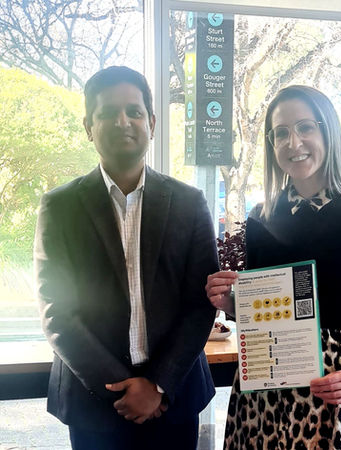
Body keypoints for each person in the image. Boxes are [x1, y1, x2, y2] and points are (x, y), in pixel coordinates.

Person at [206, 85, 341, 450]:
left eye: (305, 127)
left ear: (328, 131)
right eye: (281, 133)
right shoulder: (261, 218)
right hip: (262, 395)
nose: (293, 142)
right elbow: (260, 311)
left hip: (334, 390)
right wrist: (231, 302)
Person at [34, 66, 218, 450]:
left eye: (134, 111)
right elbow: (57, 311)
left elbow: (200, 304)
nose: (123, 122)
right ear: (89, 126)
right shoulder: (60, 207)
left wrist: (158, 385)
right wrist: (124, 389)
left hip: (173, 399)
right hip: (95, 402)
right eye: (107, 113)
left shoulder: (189, 203)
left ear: (152, 123)